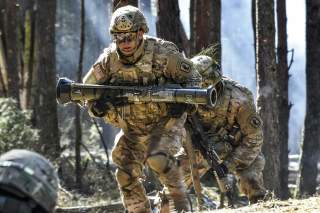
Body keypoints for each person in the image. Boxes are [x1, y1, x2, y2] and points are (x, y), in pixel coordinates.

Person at [82, 5, 202, 213]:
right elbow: (86, 89)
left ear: (140, 33)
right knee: (125, 174)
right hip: (132, 130)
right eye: (119, 38)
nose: (125, 43)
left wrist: (184, 103)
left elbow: (194, 78)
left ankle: (179, 203)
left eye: (129, 36)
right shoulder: (109, 60)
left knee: (157, 157)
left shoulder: (163, 53)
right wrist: (97, 106)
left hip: (165, 125)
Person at [179, 54, 267, 204]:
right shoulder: (186, 95)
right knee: (175, 182)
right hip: (201, 148)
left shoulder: (239, 97)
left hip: (238, 147)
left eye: (205, 86)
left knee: (251, 182)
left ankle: (260, 206)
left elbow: (254, 138)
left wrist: (227, 165)